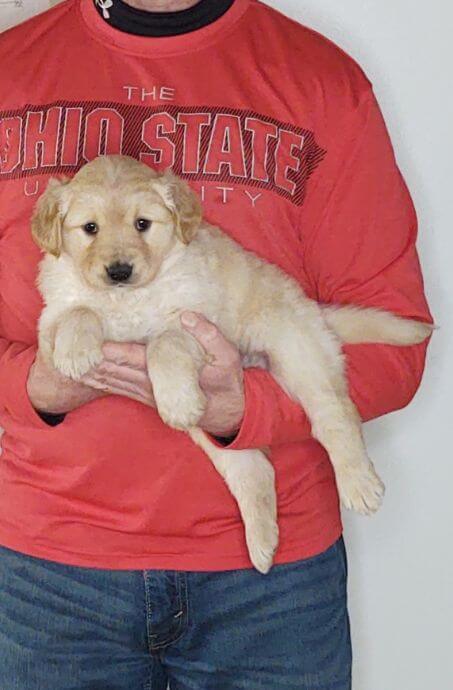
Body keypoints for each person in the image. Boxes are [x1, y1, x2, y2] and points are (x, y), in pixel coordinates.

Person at [0, 0, 432, 688]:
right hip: (49, 574)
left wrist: (248, 409)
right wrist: (33, 386)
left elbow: (396, 345)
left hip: (272, 589)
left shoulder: (320, 80)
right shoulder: (9, 68)